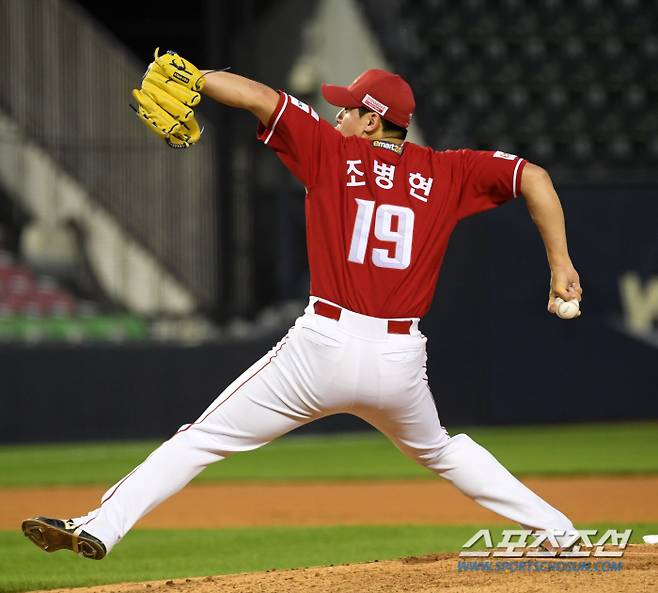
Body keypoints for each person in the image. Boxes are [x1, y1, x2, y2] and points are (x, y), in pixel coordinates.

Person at [22, 62, 582, 560]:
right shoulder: (446, 172)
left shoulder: (331, 151)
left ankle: (100, 525)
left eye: (346, 108)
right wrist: (559, 264)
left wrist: (196, 78)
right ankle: (560, 534)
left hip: (323, 346)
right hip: (399, 358)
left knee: (201, 439)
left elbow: (258, 97)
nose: (336, 115)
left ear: (371, 122)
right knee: (442, 450)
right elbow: (533, 176)